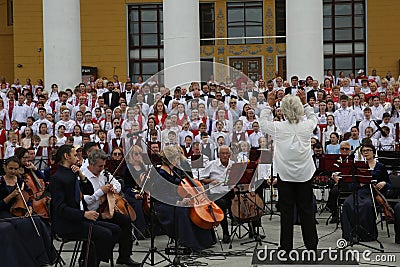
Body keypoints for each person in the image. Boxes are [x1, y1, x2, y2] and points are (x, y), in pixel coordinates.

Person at [259, 89, 318, 253]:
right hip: (305, 175)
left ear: (283, 111)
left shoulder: (278, 127)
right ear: (299, 109)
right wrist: (306, 103)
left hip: (285, 176)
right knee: (307, 212)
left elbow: (263, 123)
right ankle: (311, 246)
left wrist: (269, 106)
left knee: (286, 213)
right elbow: (314, 118)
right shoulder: (306, 126)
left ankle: (286, 247)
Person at [50, 145, 120, 267]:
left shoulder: (73, 173)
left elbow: (88, 190)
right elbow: (60, 208)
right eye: (75, 155)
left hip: (80, 218)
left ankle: (91, 260)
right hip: (68, 223)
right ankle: (90, 263)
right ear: (66, 156)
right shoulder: (57, 178)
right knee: (105, 234)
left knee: (115, 230)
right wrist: (84, 214)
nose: (78, 158)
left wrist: (81, 176)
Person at [81, 149, 141, 266]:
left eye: (104, 165)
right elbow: (84, 199)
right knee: (111, 229)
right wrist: (100, 192)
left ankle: (124, 256)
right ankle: (88, 258)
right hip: (89, 213)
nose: (103, 168)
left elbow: (118, 184)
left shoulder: (104, 173)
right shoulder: (83, 176)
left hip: (104, 210)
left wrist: (113, 188)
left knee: (125, 221)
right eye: (100, 166)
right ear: (91, 164)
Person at [153, 145, 216, 251]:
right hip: (165, 204)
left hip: (179, 200)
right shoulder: (161, 174)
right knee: (184, 210)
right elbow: (161, 195)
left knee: (193, 208)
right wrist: (178, 201)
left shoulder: (176, 171)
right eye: (177, 158)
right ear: (171, 159)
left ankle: (205, 240)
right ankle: (188, 242)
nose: (178, 161)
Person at [0, 156, 56, 266]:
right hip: (4, 212)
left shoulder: (20, 181)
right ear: (4, 167)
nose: (13, 171)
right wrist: (10, 196)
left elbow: (27, 198)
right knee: (24, 223)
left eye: (16, 169)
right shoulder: (1, 182)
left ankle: (41, 257)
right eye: (10, 168)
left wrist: (30, 208)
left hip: (19, 211)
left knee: (35, 220)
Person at [341, 143, 391, 241]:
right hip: (360, 192)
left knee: (366, 205)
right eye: (364, 151)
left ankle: (366, 234)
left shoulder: (380, 166)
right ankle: (350, 234)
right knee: (347, 204)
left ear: (374, 152)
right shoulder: (357, 166)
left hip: (374, 193)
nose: (366, 152)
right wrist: (359, 185)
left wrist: (384, 183)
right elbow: (350, 184)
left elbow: (389, 183)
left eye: (368, 150)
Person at [200, 145, 234, 243]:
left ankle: (253, 231)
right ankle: (226, 232)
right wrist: (211, 181)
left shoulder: (233, 164)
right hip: (216, 194)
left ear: (230, 155)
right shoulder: (212, 164)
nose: (224, 155)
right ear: (218, 155)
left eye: (227, 153)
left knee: (246, 199)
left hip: (229, 192)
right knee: (222, 204)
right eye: (222, 153)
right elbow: (202, 178)